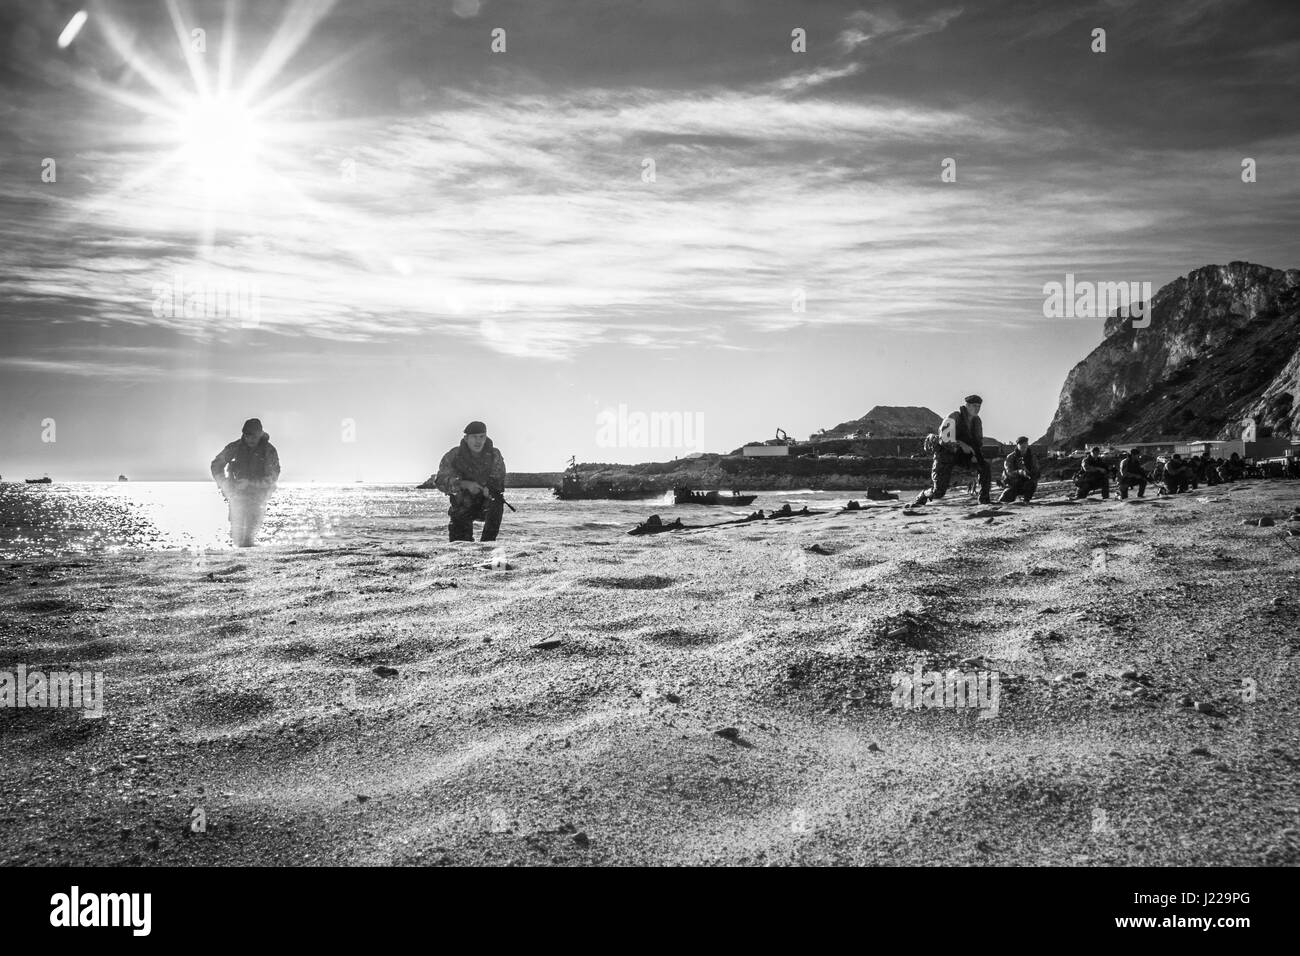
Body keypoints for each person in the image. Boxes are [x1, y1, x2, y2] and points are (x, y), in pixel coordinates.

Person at [210, 418, 280, 547]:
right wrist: (224, 483)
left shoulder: (269, 451)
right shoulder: (235, 447)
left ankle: (247, 556)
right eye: (247, 435)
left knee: (248, 537)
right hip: (237, 495)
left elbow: (273, 477)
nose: (250, 439)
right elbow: (216, 465)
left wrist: (251, 483)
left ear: (260, 434)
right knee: (237, 533)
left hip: (257, 497)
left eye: (253, 436)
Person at [911, 395, 991, 506]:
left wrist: (975, 455)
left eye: (978, 406)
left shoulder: (977, 421)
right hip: (945, 454)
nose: (977, 409)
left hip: (962, 456)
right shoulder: (954, 417)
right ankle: (923, 495)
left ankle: (984, 500)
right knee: (938, 492)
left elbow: (977, 443)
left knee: (984, 467)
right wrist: (961, 444)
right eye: (974, 406)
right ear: (967, 406)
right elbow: (944, 439)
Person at [434, 421, 507, 542]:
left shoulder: (494, 455)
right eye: (474, 437)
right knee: (459, 545)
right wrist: (464, 484)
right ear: (466, 438)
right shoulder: (454, 455)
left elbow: (499, 479)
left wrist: (489, 489)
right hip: (462, 506)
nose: (478, 441)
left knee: (497, 500)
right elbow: (440, 481)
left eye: (482, 437)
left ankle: (488, 543)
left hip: (485, 504)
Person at [999, 436, 1039, 503]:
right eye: (1021, 444)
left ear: (1027, 445)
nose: (1023, 446)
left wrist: (1031, 473)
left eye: (1025, 444)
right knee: (1004, 500)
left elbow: (1037, 470)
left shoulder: (1032, 457)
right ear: (1017, 445)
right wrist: (1019, 472)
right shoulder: (1010, 457)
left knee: (1031, 484)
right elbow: (1009, 472)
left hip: (1026, 482)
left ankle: (1026, 500)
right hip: (1012, 483)